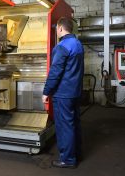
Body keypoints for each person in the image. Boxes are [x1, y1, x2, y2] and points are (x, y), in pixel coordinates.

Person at [42, 17, 84, 169]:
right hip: (75, 92)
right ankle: (76, 153)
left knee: (65, 126)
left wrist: (46, 91)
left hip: (63, 94)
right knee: (74, 124)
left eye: (56, 29)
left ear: (60, 29)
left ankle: (67, 159)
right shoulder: (78, 44)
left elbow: (55, 72)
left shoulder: (62, 47)